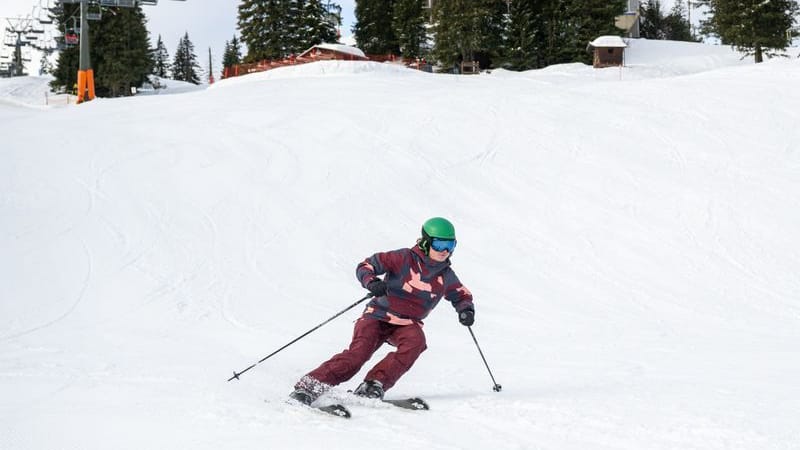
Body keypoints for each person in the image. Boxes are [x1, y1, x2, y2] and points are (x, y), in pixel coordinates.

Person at [290, 217, 475, 404]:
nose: (445, 251)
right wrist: (372, 282)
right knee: (358, 355)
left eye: (450, 245)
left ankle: (374, 384)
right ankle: (309, 386)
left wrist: (466, 310)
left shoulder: (445, 274)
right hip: (378, 316)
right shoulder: (403, 258)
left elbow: (462, 295)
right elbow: (366, 266)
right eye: (439, 244)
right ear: (426, 242)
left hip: (407, 323)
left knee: (416, 342)